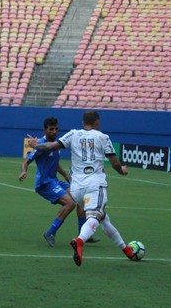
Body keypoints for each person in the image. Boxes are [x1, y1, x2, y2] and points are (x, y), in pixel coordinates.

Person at [27, 110, 134, 266]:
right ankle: (80, 240)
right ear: (97, 122)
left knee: (103, 217)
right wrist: (122, 170)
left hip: (77, 189)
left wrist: (36, 145)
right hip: (94, 185)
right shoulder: (103, 137)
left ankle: (126, 249)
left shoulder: (73, 134)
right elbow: (115, 163)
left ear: (83, 123)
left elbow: (51, 146)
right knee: (95, 217)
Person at [19, 117, 99, 247]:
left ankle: (83, 235)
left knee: (81, 198)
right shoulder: (40, 145)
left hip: (54, 181)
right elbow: (26, 162)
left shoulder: (55, 144)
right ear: (45, 130)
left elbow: (55, 164)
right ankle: (50, 232)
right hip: (44, 184)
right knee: (70, 203)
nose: (54, 131)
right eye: (51, 129)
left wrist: (66, 175)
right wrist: (24, 171)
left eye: (56, 129)